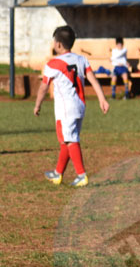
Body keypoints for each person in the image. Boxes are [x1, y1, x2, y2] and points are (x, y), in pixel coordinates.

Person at [33, 25, 110, 188]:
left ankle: (81, 175)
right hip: (80, 106)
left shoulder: (53, 64)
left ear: (58, 44)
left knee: (70, 140)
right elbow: (93, 80)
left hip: (65, 109)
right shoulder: (81, 60)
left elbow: (43, 87)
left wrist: (37, 104)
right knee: (68, 141)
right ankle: (58, 173)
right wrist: (102, 99)